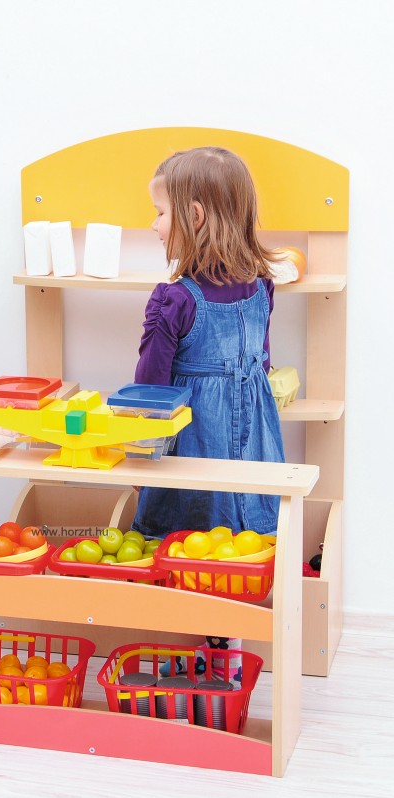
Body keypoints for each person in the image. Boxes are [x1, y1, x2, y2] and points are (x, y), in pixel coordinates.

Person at [131, 147, 285, 679]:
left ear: (194, 217)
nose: (154, 226)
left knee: (188, 550)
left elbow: (149, 394)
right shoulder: (261, 287)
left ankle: (200, 657)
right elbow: (261, 364)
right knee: (234, 553)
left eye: (160, 213)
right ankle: (224, 656)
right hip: (252, 451)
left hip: (196, 453)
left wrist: (139, 459)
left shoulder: (174, 301)